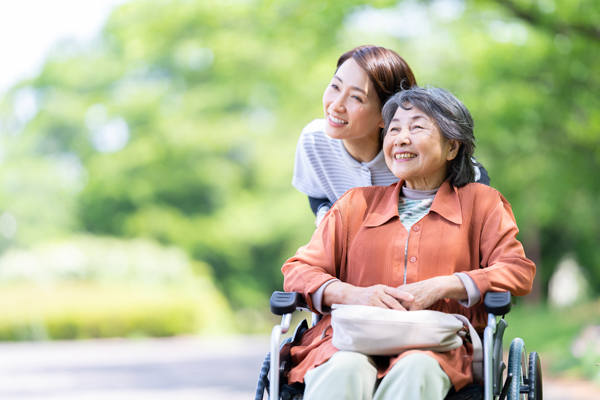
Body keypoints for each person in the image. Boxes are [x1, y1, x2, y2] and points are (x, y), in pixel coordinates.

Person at [281, 86, 535, 400]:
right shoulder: (355, 204)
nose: (401, 138)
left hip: (437, 346)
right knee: (345, 368)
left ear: (452, 147)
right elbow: (298, 271)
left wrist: (445, 285)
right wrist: (355, 294)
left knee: (417, 368)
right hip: (348, 340)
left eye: (416, 127)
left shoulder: (482, 204)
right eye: (394, 129)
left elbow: (517, 271)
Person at [292, 45, 490, 226]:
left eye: (356, 97)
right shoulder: (314, 140)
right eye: (335, 86)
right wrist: (325, 215)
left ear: (386, 115)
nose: (335, 105)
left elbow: (476, 175)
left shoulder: (407, 153)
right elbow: (317, 194)